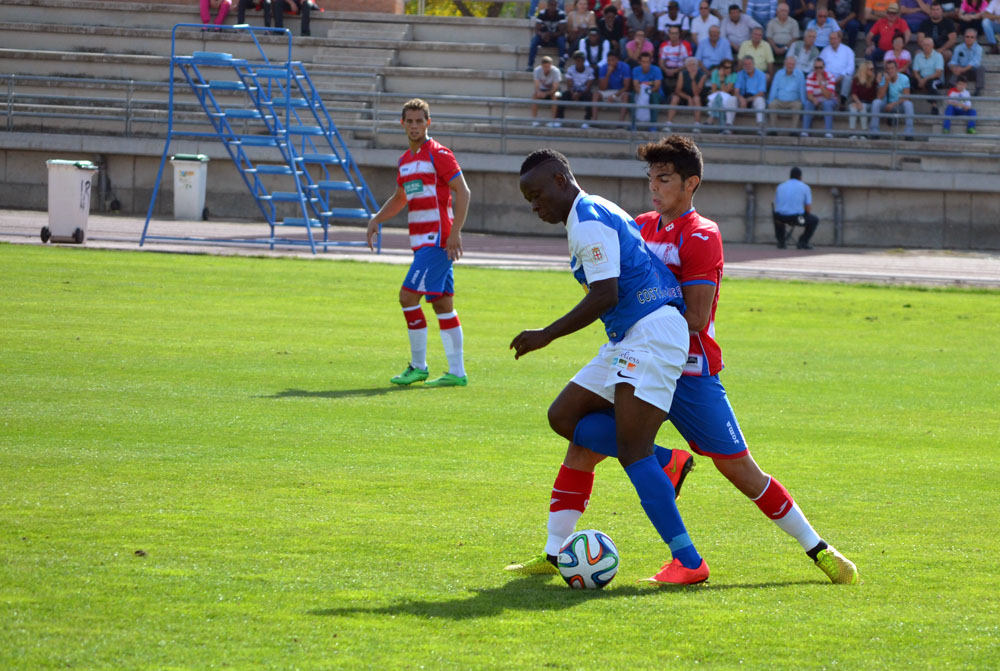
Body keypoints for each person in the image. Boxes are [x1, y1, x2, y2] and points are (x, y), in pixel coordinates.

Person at [506, 138, 858, 586]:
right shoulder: (640, 224)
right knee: (577, 434)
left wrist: (587, 326)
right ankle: (557, 552)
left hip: (687, 366)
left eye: (665, 179)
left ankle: (818, 548)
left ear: (691, 184)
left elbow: (692, 315)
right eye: (650, 178)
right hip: (637, 347)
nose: (654, 187)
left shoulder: (702, 234)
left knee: (738, 469)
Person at [509, 147, 710, 586]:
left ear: (561, 180)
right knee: (563, 416)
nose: (535, 205)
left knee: (631, 453)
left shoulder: (588, 221)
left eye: (538, 193)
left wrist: (546, 334)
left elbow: (605, 295)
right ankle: (667, 462)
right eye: (528, 199)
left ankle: (690, 562)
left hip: (651, 333)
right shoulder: (589, 212)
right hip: (629, 336)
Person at [365, 99, 471, 388]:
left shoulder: (439, 154)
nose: (414, 126)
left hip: (436, 241)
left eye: (419, 121)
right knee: (442, 304)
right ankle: (457, 373)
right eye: (409, 121)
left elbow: (463, 192)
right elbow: (400, 198)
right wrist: (377, 218)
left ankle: (418, 366)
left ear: (428, 123)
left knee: (407, 297)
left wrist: (455, 232)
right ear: (402, 124)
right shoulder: (405, 161)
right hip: (421, 242)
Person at [774, 166, 820, 248]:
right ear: (800, 177)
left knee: (777, 217)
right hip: (797, 219)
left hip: (780, 219)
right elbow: (808, 209)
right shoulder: (805, 187)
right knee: (814, 220)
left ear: (790, 176)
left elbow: (777, 204)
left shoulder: (780, 187)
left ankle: (781, 241)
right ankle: (803, 241)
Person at [870, 58, 916, 138]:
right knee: (876, 102)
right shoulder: (884, 79)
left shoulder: (904, 78)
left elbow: (906, 96)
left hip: (898, 105)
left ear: (896, 69)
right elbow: (880, 96)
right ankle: (874, 131)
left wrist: (893, 104)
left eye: (892, 68)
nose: (890, 70)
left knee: (908, 104)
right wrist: (887, 82)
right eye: (888, 69)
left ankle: (909, 133)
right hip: (886, 105)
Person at [666, 56, 709, 127]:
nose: (692, 67)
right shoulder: (682, 74)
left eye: (694, 65)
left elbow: (696, 93)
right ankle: (668, 123)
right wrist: (688, 98)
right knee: (675, 98)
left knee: (696, 98)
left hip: (697, 97)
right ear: (686, 66)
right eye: (689, 65)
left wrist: (692, 79)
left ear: (697, 66)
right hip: (684, 96)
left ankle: (697, 124)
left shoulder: (702, 75)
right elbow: (677, 90)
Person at [768, 55, 807, 130]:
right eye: (789, 64)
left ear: (795, 65)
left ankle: (794, 130)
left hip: (794, 101)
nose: (790, 66)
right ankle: (773, 129)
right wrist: (770, 101)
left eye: (792, 64)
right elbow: (774, 89)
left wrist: (804, 103)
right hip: (779, 101)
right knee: (772, 104)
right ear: (785, 64)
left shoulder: (800, 75)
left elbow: (802, 90)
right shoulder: (779, 73)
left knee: (798, 105)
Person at [558, 51, 597, 126]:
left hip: (584, 93)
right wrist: (573, 93)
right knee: (563, 95)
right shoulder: (570, 69)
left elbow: (588, 87)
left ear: (584, 61)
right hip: (573, 92)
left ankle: (587, 121)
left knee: (590, 97)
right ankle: (559, 118)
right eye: (576, 60)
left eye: (580, 60)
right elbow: (569, 84)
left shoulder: (590, 70)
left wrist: (579, 94)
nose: (578, 62)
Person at [801, 57, 838, 137]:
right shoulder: (810, 76)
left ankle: (829, 132)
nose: (818, 70)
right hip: (816, 99)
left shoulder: (830, 76)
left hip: (830, 99)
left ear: (824, 67)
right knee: (808, 103)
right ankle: (805, 131)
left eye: (820, 67)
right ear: (813, 68)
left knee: (827, 103)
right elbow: (809, 95)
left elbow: (828, 96)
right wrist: (813, 99)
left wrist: (820, 84)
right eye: (816, 67)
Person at [530, 0, 570, 70]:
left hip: (556, 38)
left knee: (561, 40)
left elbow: (562, 32)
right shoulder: (542, 13)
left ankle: (561, 66)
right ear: (547, 5)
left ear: (557, 5)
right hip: (544, 38)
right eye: (551, 5)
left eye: (554, 5)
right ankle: (530, 64)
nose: (552, 7)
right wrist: (543, 34)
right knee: (534, 41)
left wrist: (550, 35)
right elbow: (537, 30)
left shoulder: (561, 14)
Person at [594, 51, 633, 122]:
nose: (610, 62)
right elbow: (602, 88)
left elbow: (626, 87)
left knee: (626, 96)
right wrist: (608, 73)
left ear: (617, 60)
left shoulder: (625, 67)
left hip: (620, 91)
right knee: (596, 95)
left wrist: (614, 96)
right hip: (608, 91)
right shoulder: (603, 68)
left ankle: (620, 123)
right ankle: (594, 121)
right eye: (609, 60)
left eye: (613, 60)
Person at [237, 0, 312, 36]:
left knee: (306, 4)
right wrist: (291, 3)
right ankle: (278, 31)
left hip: (304, 3)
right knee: (277, 3)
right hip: (291, 3)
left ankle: (305, 32)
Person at [632, 51, 666, 128]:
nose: (645, 64)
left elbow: (657, 86)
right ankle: (633, 124)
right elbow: (635, 86)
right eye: (643, 62)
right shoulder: (635, 70)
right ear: (639, 62)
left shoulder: (656, 69)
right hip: (641, 92)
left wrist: (647, 92)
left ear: (651, 61)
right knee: (632, 96)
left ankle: (653, 125)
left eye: (647, 62)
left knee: (654, 97)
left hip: (655, 93)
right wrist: (642, 93)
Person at [912, 36, 945, 113]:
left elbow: (938, 73)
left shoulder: (938, 56)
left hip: (935, 79)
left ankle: (934, 106)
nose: (926, 47)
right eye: (924, 45)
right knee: (909, 81)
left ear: (932, 46)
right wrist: (920, 80)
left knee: (931, 84)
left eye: (928, 45)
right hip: (921, 78)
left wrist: (925, 80)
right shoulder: (918, 56)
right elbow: (915, 72)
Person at [821, 29, 856, 101]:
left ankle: (843, 101)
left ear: (839, 39)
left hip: (842, 77)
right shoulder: (825, 50)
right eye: (831, 39)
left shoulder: (848, 50)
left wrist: (840, 76)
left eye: (834, 39)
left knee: (848, 78)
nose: (832, 41)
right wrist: (829, 77)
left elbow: (851, 68)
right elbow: (820, 64)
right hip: (827, 77)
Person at [735, 54, 769, 126]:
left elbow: (761, 93)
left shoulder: (761, 75)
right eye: (745, 64)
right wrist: (741, 99)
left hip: (754, 99)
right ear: (743, 66)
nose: (748, 66)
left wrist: (746, 100)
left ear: (754, 64)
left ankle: (760, 126)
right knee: (731, 100)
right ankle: (728, 126)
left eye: (750, 64)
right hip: (742, 99)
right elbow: (736, 91)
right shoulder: (739, 74)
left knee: (760, 100)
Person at [949, 28, 985, 94]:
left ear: (975, 38)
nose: (969, 39)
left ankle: (978, 89)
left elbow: (975, 62)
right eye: (967, 37)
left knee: (981, 68)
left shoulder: (979, 48)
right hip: (961, 73)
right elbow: (953, 61)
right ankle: (952, 86)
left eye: (972, 37)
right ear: (964, 37)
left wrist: (963, 69)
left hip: (972, 72)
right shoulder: (958, 47)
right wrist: (954, 68)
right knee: (956, 67)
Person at [848, 59, 879, 135]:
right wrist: (858, 102)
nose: (873, 70)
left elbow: (876, 95)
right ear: (865, 70)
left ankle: (864, 132)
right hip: (858, 101)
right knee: (853, 108)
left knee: (863, 107)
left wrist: (878, 82)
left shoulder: (874, 80)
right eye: (871, 69)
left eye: (873, 69)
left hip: (869, 103)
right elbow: (853, 94)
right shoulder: (856, 79)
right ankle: (852, 132)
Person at [707, 59, 740, 128]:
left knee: (720, 96)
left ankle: (711, 118)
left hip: (727, 97)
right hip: (716, 96)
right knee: (719, 96)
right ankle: (723, 125)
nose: (729, 69)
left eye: (730, 67)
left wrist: (721, 79)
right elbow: (713, 90)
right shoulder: (715, 73)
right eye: (726, 67)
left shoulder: (734, 75)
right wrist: (720, 90)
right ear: (721, 68)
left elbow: (726, 91)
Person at [659, 25, 694, 90]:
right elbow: (661, 62)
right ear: (669, 34)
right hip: (667, 69)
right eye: (672, 33)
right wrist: (665, 69)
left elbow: (688, 62)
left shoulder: (686, 45)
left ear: (679, 34)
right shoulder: (663, 45)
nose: (674, 35)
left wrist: (676, 70)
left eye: (676, 33)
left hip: (680, 69)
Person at [531, 56, 564, 125]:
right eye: (545, 67)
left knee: (555, 96)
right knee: (534, 96)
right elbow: (536, 86)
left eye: (548, 67)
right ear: (541, 66)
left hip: (554, 90)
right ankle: (534, 119)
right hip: (542, 90)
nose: (547, 69)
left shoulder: (556, 71)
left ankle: (553, 120)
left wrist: (546, 93)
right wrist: (539, 92)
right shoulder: (537, 70)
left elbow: (555, 88)